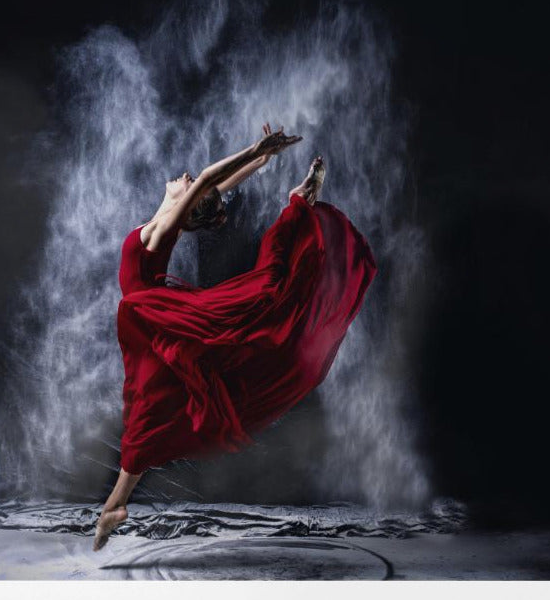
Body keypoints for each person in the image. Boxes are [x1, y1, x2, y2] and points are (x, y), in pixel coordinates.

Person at [93, 124, 377, 551]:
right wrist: (257, 162)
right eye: (186, 184)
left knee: (264, 295)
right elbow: (210, 186)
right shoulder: (162, 219)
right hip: (153, 327)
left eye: (189, 183)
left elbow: (207, 182)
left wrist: (255, 152)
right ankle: (114, 506)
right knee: (145, 414)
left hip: (156, 321)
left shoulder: (164, 227)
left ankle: (298, 205)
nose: (185, 178)